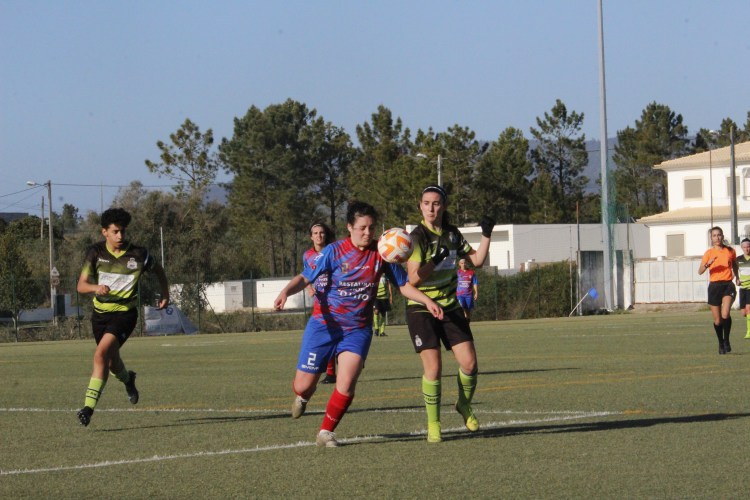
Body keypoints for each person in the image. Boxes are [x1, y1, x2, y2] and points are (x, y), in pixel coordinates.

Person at [274, 201, 443, 448]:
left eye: (371, 228)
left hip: (357, 329)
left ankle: (326, 432)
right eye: (362, 228)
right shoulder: (333, 251)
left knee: (346, 382)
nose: (368, 233)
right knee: (304, 385)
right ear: (349, 227)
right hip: (324, 325)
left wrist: (427, 301)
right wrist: (285, 292)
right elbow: (305, 277)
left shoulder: (383, 253)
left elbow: (404, 285)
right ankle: (303, 396)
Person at [406, 185, 494, 443]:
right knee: (433, 368)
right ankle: (434, 423)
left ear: (443, 206)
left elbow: (477, 261)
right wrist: (435, 260)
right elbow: (413, 279)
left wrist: (486, 234)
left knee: (470, 364)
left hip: (450, 305)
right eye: (426, 203)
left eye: (436, 203)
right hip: (421, 307)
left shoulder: (453, 234)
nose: (431, 208)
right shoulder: (417, 237)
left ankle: (463, 404)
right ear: (420, 206)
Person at [75, 208, 170, 426]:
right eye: (115, 232)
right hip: (100, 315)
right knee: (111, 362)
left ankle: (88, 409)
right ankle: (129, 380)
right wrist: (96, 288)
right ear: (104, 232)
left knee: (100, 354)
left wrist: (165, 293)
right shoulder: (95, 253)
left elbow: (159, 271)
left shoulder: (139, 254)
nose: (120, 236)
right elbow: (81, 285)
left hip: (125, 314)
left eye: (123, 231)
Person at [304, 222, 338, 384]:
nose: (319, 235)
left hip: (337, 300)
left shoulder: (333, 251)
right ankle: (330, 374)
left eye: (321, 232)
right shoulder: (307, 255)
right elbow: (306, 275)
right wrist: (309, 287)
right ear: (311, 237)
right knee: (327, 338)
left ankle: (342, 370)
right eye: (315, 233)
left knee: (339, 339)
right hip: (320, 303)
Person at [698, 226, 738, 355]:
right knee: (718, 320)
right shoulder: (708, 253)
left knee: (725, 314)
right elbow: (700, 271)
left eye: (719, 235)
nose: (717, 237)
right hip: (714, 287)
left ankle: (727, 340)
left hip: (727, 285)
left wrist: (737, 277)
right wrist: (707, 265)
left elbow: (735, 264)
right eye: (714, 235)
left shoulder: (730, 251)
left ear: (723, 236)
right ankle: (721, 343)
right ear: (711, 238)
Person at [736, 238, 750, 340]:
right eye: (744, 247)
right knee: (743, 313)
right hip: (742, 288)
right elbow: (735, 272)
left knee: (749, 309)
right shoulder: (738, 259)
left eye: (748, 247)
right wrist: (737, 279)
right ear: (742, 248)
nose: (746, 249)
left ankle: (749, 331)